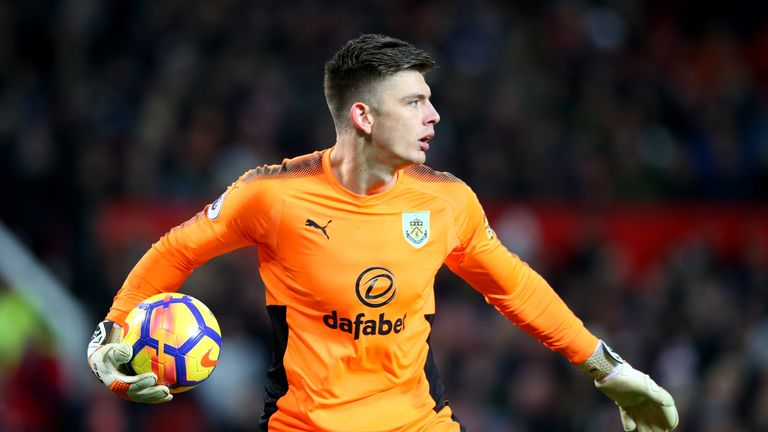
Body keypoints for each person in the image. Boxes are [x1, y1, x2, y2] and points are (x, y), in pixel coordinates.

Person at [87, 34, 679, 432]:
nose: (434, 116)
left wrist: (610, 370)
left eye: (430, 100)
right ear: (363, 116)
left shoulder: (446, 201)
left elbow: (515, 288)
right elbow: (177, 249)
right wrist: (109, 336)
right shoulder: (274, 194)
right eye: (415, 101)